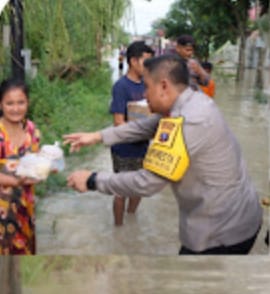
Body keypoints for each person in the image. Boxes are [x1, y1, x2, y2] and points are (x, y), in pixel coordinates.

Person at [64, 55, 262, 255]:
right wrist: (97, 136)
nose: (145, 94)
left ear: (164, 86)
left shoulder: (188, 121)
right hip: (240, 214)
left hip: (222, 233)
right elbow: (146, 126)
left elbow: (147, 182)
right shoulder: (192, 100)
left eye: (147, 87)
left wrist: (92, 180)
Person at [110, 41, 154, 226]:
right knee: (121, 190)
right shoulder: (121, 86)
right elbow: (118, 122)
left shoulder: (148, 84)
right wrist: (142, 126)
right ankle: (119, 229)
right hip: (124, 148)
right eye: (146, 62)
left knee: (139, 187)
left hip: (143, 147)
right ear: (133, 61)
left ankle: (131, 220)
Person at [0, 78, 40, 255]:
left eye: (20, 102)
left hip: (25, 203)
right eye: (10, 103)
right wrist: (11, 181)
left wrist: (46, 168)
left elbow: (36, 162)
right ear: (1, 104)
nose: (16, 108)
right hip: (2, 208)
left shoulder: (31, 129)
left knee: (24, 252)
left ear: (27, 103)